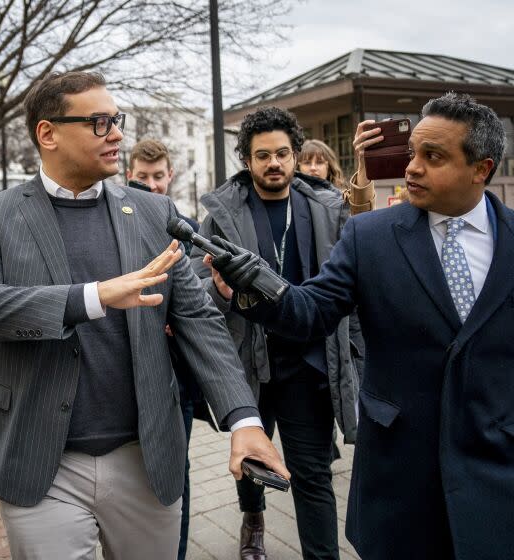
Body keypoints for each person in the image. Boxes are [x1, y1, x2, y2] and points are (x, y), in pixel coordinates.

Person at [0, 71, 288, 559]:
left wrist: (244, 421)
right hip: (42, 460)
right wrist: (95, 296)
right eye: (99, 122)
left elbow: (199, 323)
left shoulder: (154, 212)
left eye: (117, 120)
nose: (116, 134)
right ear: (48, 133)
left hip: (145, 459)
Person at [213, 92, 511, 559]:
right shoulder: (369, 235)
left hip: (495, 472)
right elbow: (312, 310)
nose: (412, 167)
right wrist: (251, 290)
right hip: (399, 476)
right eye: (412, 152)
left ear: (482, 168)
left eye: (433, 157)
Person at [192, 107, 362, 560]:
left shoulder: (326, 208)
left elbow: (351, 289)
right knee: (251, 464)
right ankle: (253, 519)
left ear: (295, 154)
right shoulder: (222, 213)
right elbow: (195, 283)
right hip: (249, 367)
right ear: (247, 160)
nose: (274, 163)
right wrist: (220, 290)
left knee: (313, 474)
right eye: (262, 155)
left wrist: (356, 352)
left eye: (283, 153)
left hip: (310, 365)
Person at [126, 138, 203, 560]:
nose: (152, 186)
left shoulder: (187, 228)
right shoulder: (116, 222)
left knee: (177, 471)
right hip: (126, 372)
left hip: (175, 377)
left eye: (159, 177)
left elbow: (198, 302)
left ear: (170, 177)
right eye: (143, 178)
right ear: (129, 177)